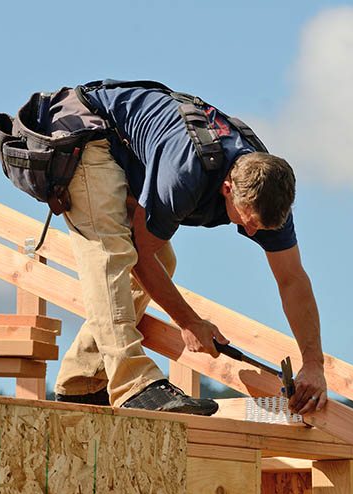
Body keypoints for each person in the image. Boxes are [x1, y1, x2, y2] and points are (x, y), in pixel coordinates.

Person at [41, 80, 327, 416]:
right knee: (112, 253)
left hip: (130, 153)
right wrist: (188, 321)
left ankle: (82, 385)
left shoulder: (269, 196)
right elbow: (138, 255)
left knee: (164, 259)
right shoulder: (186, 173)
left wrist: (313, 363)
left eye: (259, 228)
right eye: (248, 221)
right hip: (86, 131)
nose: (251, 232)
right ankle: (134, 386)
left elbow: (292, 279)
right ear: (226, 188)